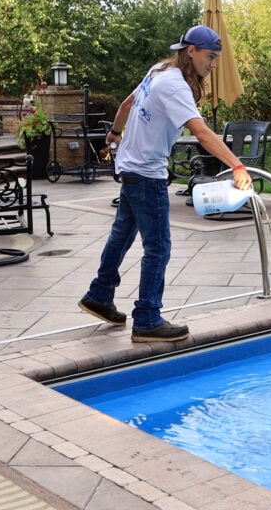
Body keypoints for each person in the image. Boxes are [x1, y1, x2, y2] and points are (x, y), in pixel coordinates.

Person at [79, 25, 253, 342]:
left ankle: (99, 295)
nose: (213, 65)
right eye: (210, 57)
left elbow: (127, 104)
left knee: (121, 235)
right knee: (158, 246)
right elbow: (202, 133)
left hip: (130, 167)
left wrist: (116, 133)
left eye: (216, 59)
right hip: (146, 172)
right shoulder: (176, 86)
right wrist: (237, 165)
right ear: (191, 52)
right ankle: (147, 317)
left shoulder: (160, 70)